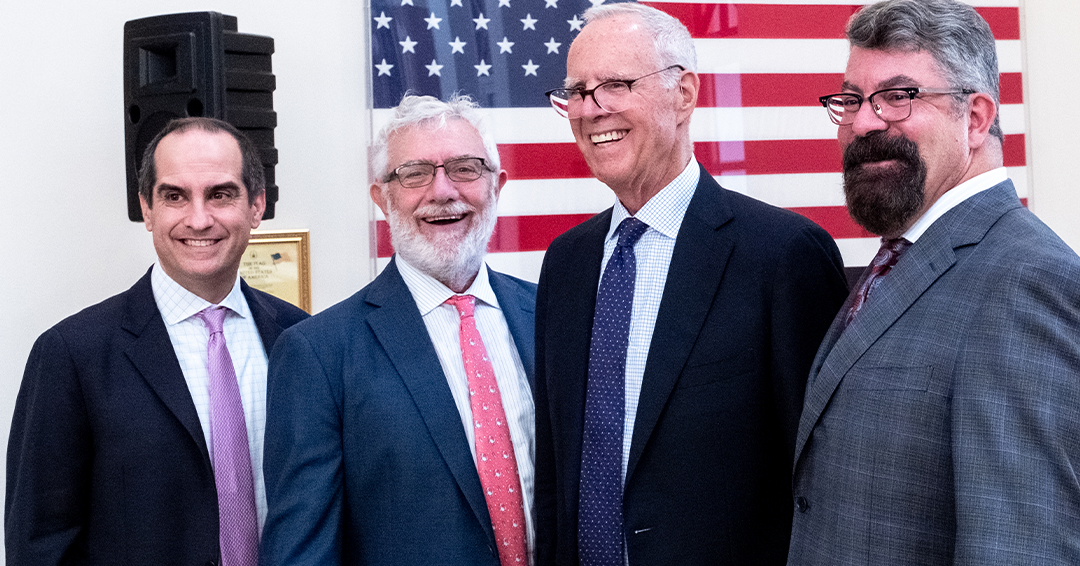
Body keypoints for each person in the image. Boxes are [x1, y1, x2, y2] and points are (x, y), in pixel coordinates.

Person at [534, 4, 850, 565]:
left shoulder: (781, 255)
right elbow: (559, 471)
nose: (590, 109)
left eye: (615, 85)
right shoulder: (566, 262)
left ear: (684, 94)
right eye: (577, 92)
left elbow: (824, 477)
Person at [789, 1, 1080, 564]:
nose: (865, 122)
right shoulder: (904, 255)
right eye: (852, 99)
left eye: (899, 96)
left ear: (974, 118)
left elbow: (1019, 544)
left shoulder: (1027, 282)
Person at [6, 117, 309, 566]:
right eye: (174, 196)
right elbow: (40, 544)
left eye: (221, 194)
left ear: (256, 206)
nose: (199, 219)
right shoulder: (72, 354)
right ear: (147, 209)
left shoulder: (300, 337)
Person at [260, 94, 537, 566]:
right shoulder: (319, 354)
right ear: (382, 198)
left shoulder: (548, 315)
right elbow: (302, 551)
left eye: (466, 169)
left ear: (497, 185)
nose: (443, 191)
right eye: (414, 174)